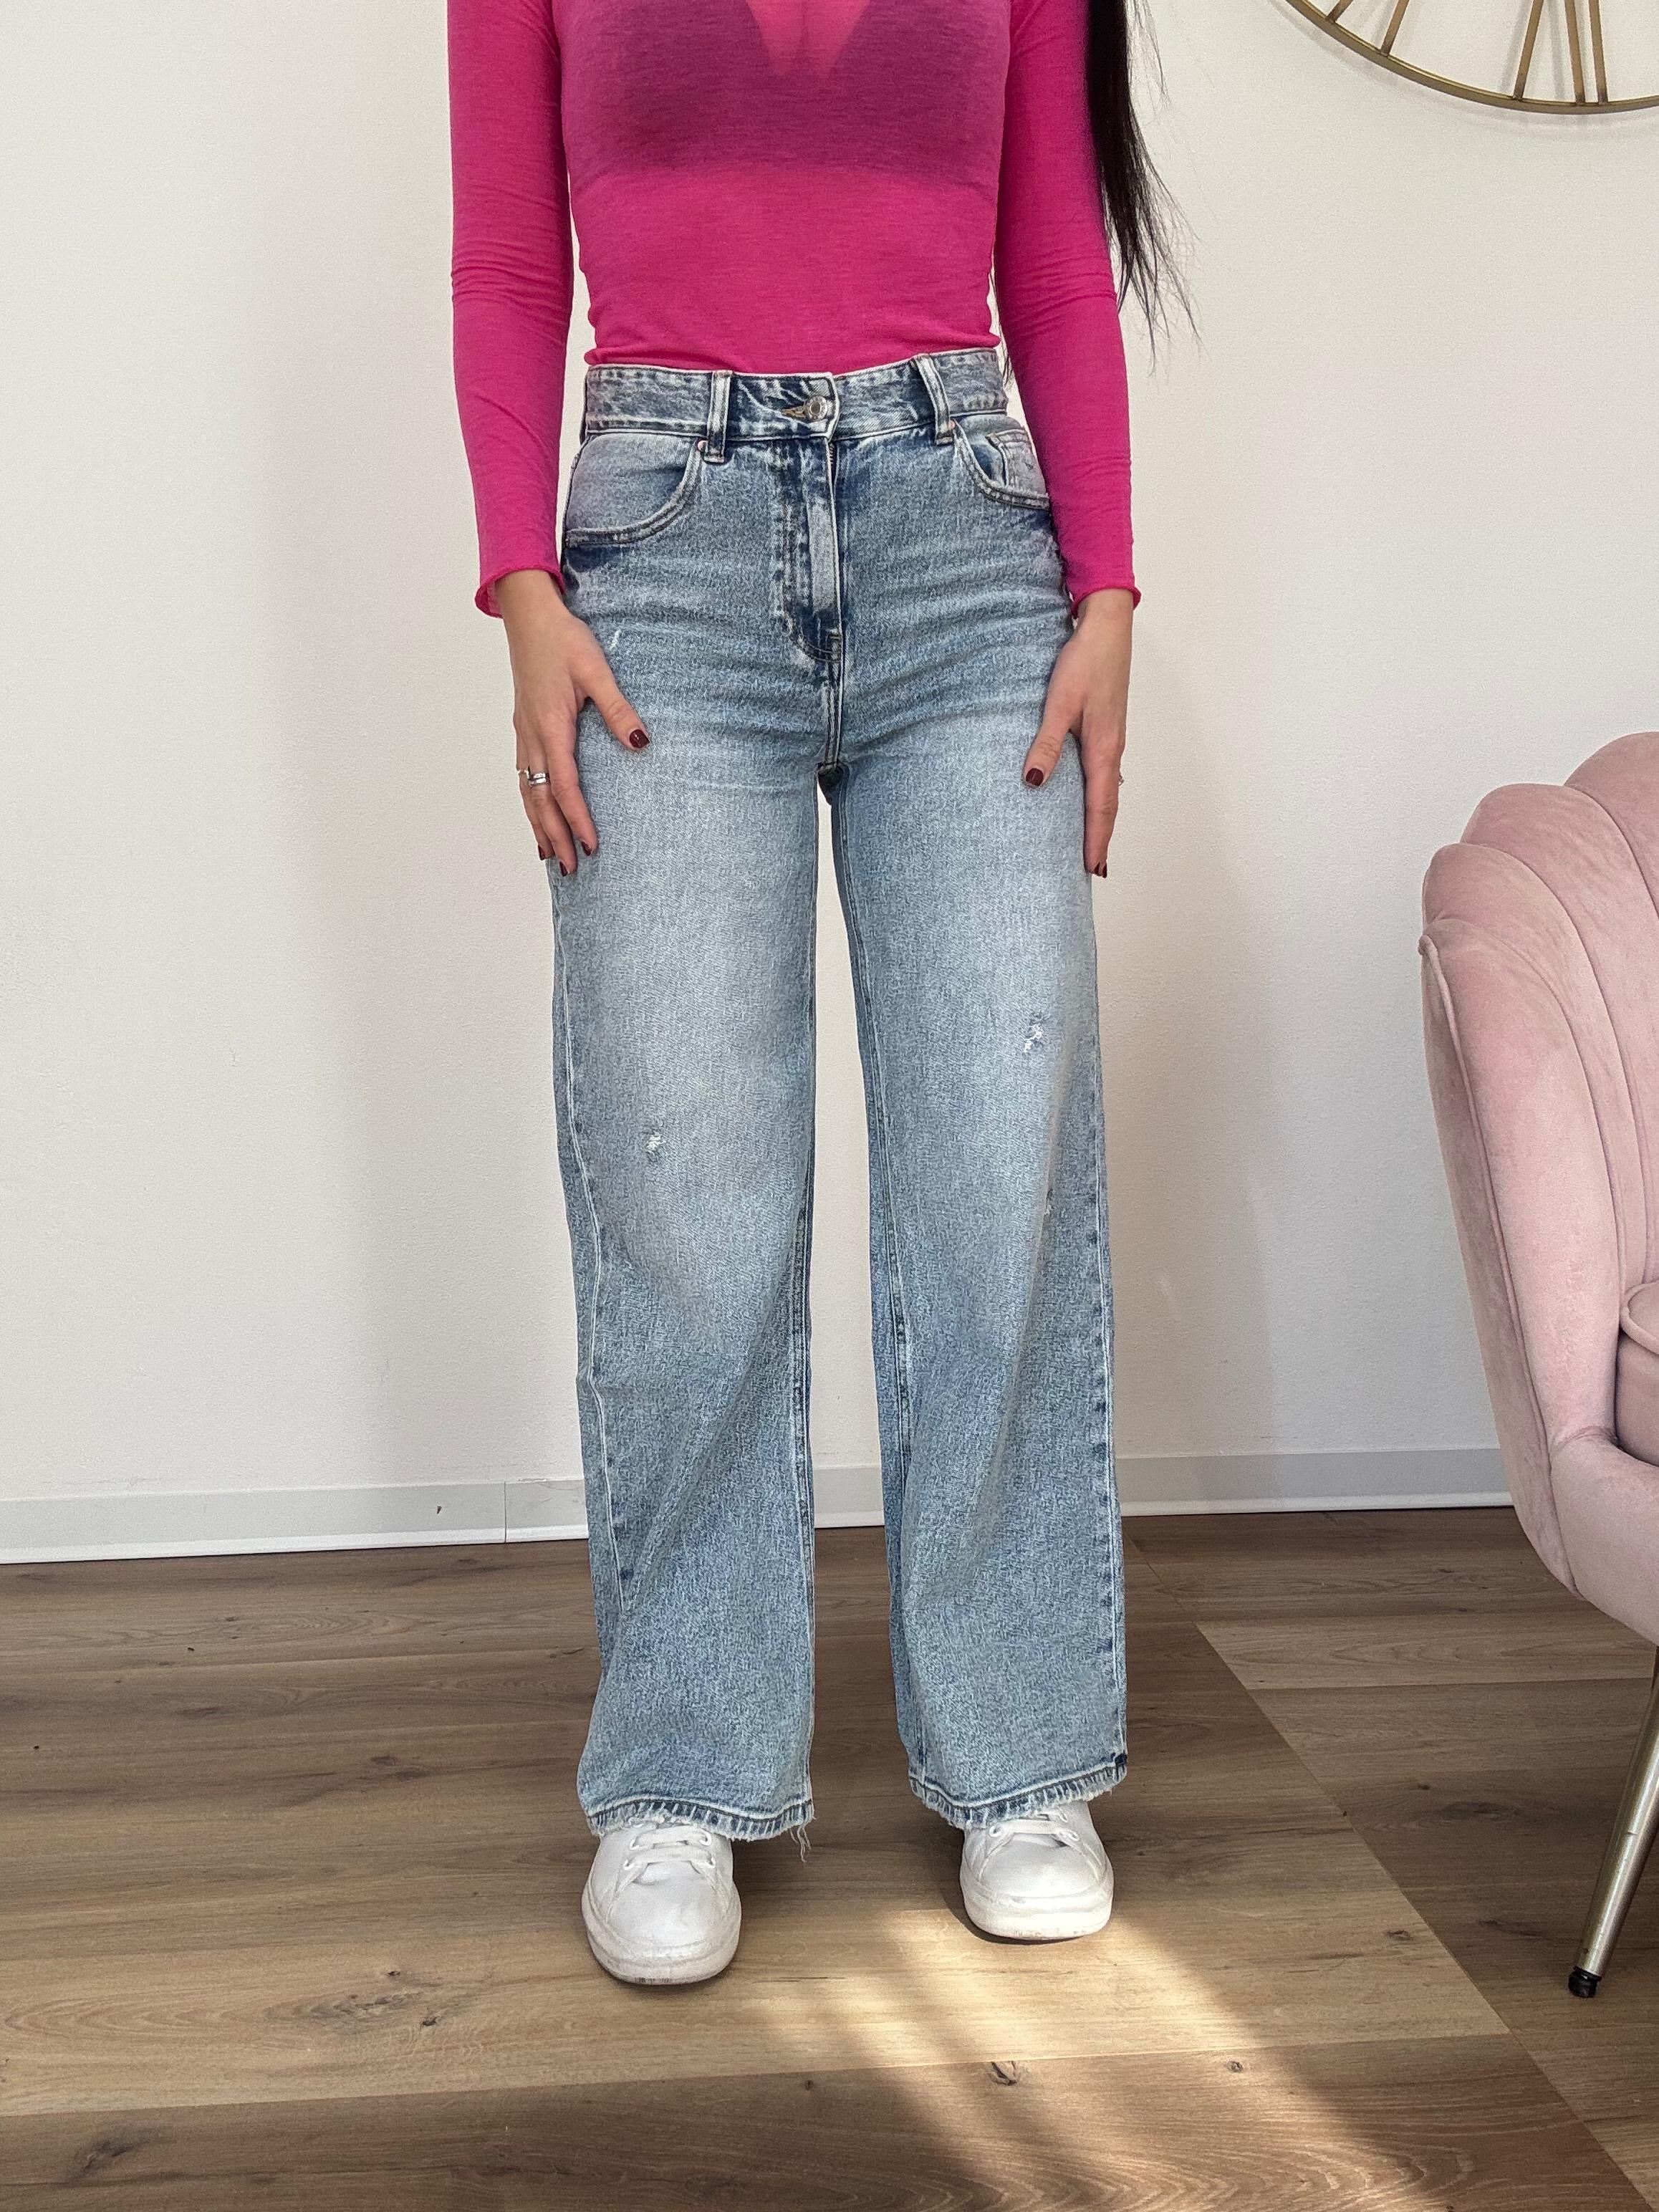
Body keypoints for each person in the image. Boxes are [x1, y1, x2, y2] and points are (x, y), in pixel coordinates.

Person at [447, 0, 1183, 1986]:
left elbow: (1053, 253)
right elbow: (508, 254)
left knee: (995, 1167)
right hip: (658, 556)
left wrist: (1107, 588)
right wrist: (521, 583)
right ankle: (683, 1773)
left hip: (969, 549)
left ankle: (1021, 1753)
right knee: (683, 1187)